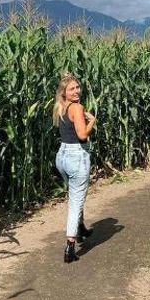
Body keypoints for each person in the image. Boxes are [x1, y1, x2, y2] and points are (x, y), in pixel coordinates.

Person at [53, 73, 96, 264]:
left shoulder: (60, 107)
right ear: (64, 92)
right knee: (76, 200)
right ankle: (70, 247)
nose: (76, 91)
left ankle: (81, 228)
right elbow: (82, 135)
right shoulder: (77, 108)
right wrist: (92, 121)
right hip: (77, 156)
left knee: (75, 194)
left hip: (62, 156)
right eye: (72, 89)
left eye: (78, 87)